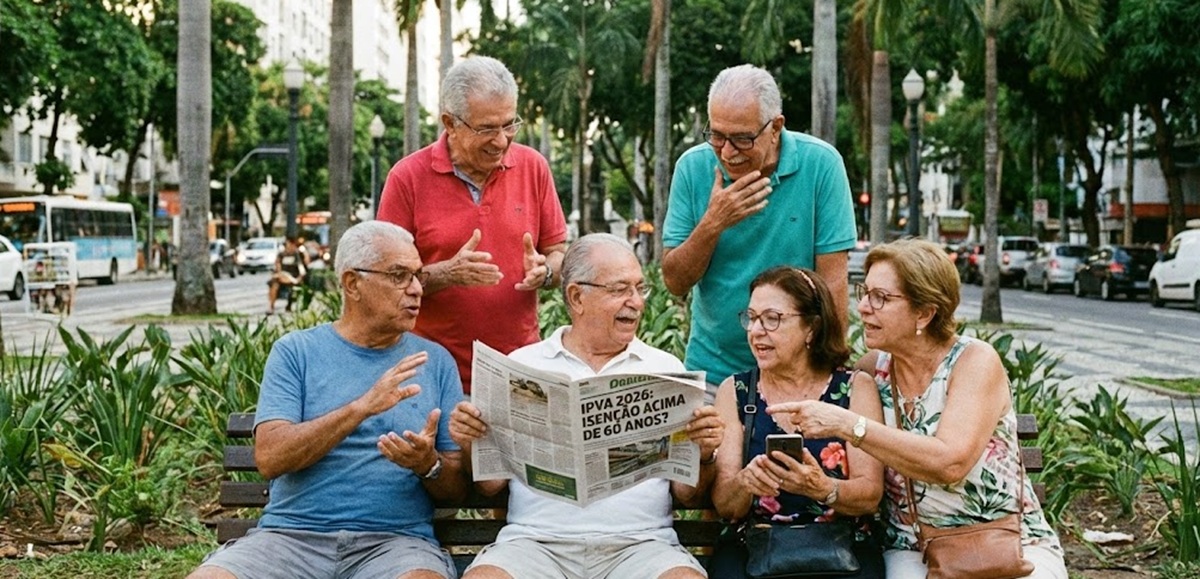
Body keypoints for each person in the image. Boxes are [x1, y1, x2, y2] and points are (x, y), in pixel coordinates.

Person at [768, 238, 1066, 578]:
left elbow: (950, 462)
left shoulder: (974, 362)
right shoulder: (871, 371)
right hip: (914, 547)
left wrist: (849, 424)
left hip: (1006, 541)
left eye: (880, 297)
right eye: (863, 293)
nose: (863, 307)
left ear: (924, 312)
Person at [188, 221, 467, 579]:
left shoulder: (436, 362)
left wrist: (428, 464)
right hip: (289, 540)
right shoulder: (296, 352)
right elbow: (270, 458)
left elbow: (455, 489)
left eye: (417, 276)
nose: (415, 290)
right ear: (353, 284)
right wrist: (360, 408)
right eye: (399, 276)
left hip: (395, 544)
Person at [447, 233, 723, 579]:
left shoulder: (665, 369)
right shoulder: (523, 365)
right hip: (536, 544)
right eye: (620, 289)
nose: (636, 302)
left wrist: (704, 453)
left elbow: (686, 493)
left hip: (640, 546)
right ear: (577, 296)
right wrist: (471, 439)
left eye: (640, 288)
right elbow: (491, 486)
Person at [661, 64, 857, 399]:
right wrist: (714, 222)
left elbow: (833, 284)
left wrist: (829, 374)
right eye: (717, 136)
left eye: (742, 139)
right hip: (714, 372)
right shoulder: (692, 168)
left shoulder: (822, 165)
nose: (727, 152)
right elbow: (675, 281)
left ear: (775, 127)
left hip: (799, 373)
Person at [377, 55, 568, 394]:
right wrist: (448, 273)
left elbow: (557, 252)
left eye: (509, 124)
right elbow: (384, 281)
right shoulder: (407, 178)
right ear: (450, 123)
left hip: (519, 371)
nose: (501, 140)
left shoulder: (534, 167)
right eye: (486, 129)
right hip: (432, 375)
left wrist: (547, 272)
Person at [709, 266, 885, 578]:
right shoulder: (736, 392)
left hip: (842, 551)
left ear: (811, 328)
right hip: (755, 550)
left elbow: (870, 495)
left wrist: (823, 488)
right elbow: (726, 506)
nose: (755, 330)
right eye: (751, 317)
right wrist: (744, 483)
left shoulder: (855, 387)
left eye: (772, 318)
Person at [267, 236, 307, 314]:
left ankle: (288, 304)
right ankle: (271, 306)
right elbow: (278, 266)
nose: (288, 247)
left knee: (281, 278)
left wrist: (299, 278)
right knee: (274, 284)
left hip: (294, 277)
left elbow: (302, 269)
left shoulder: (297, 254)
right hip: (282, 277)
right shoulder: (281, 255)